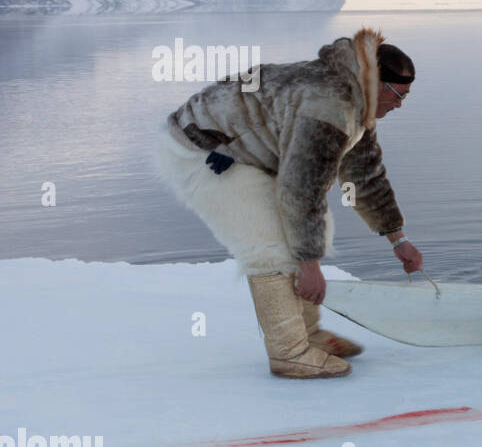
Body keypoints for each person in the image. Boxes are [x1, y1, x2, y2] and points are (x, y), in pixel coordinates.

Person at [153, 27, 423, 379]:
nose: (400, 105)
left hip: (253, 150)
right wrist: (309, 266)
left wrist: (397, 239)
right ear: (377, 83)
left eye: (406, 97)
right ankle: (289, 352)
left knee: (312, 231)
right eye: (398, 95)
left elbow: (365, 176)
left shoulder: (357, 98)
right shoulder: (329, 107)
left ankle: (308, 336)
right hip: (203, 149)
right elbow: (301, 189)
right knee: (271, 246)